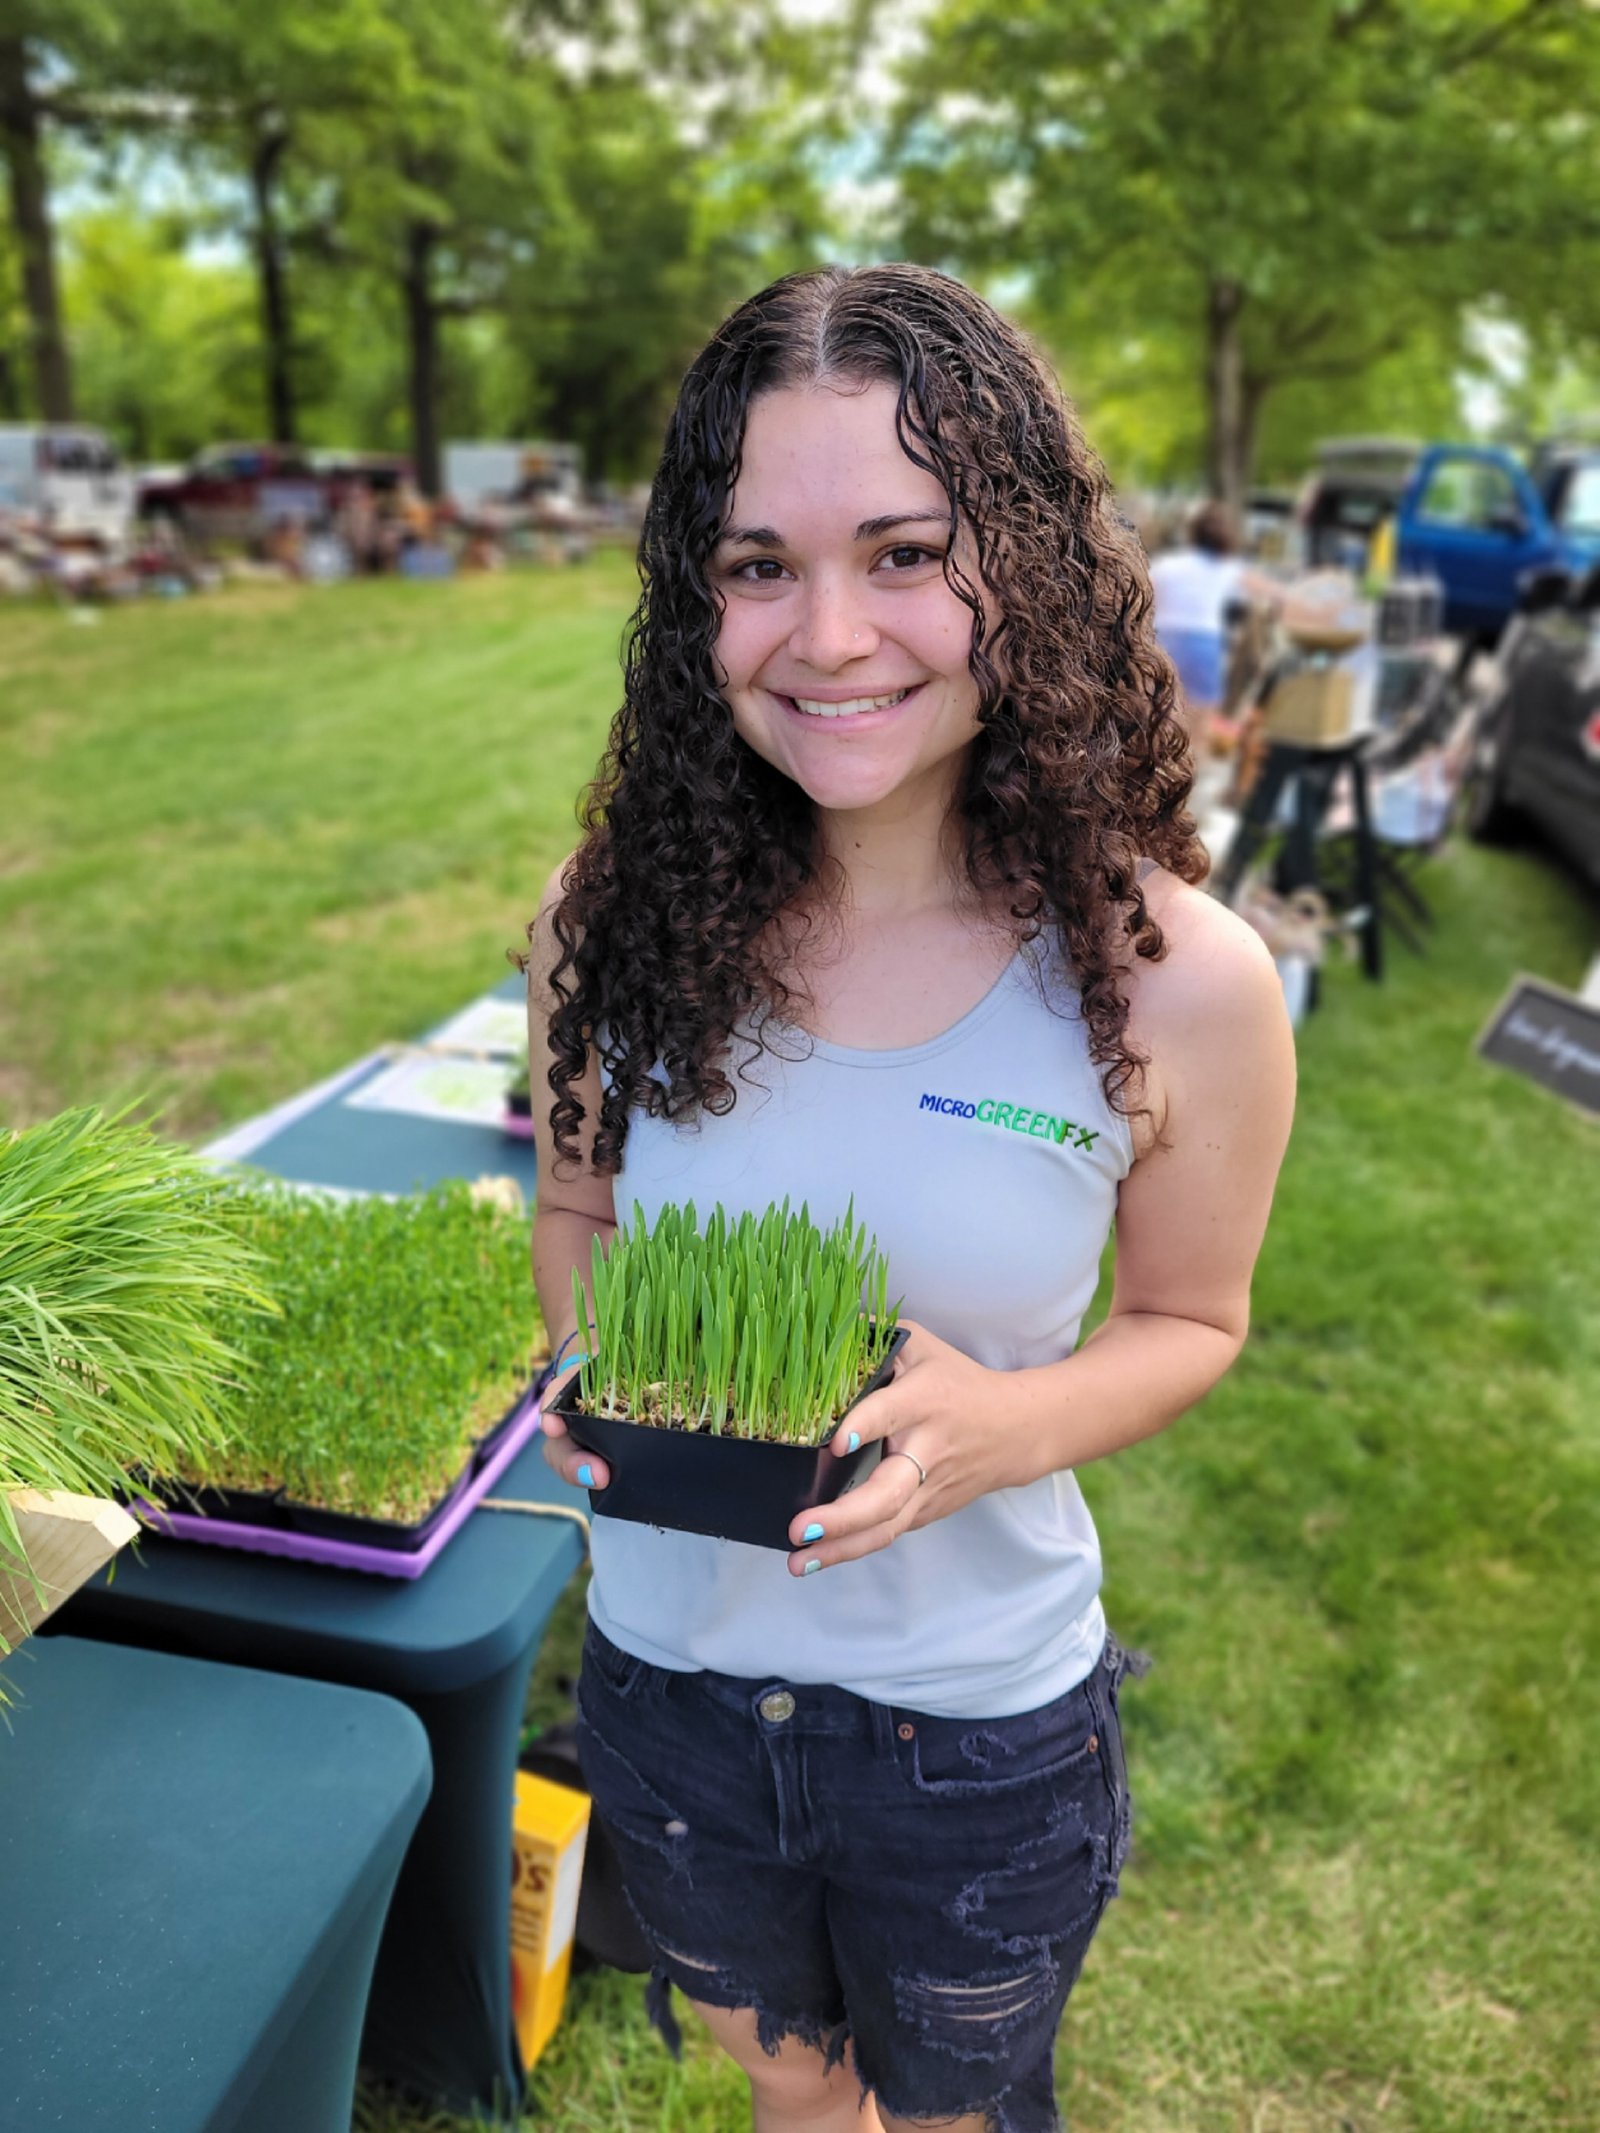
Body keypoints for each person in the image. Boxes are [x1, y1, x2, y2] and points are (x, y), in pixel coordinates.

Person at [525, 263, 1296, 2133]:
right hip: (673, 1686)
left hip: (975, 1729)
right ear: (693, 600)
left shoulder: (1175, 976)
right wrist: (597, 1369)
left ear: (1017, 563)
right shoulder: (608, 923)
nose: (831, 632)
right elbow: (575, 1198)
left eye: (903, 550)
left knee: (949, 2108)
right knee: (787, 2091)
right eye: (757, 564)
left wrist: (996, 1425)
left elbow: (1192, 1319)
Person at [1146, 500, 1252, 742]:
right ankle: (1191, 775)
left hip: (1163, 641)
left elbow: (1142, 597)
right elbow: (1273, 593)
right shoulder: (1228, 569)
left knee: (1156, 716)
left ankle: (1152, 772)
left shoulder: (1167, 564)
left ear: (1191, 534)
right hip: (1203, 643)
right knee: (1199, 725)